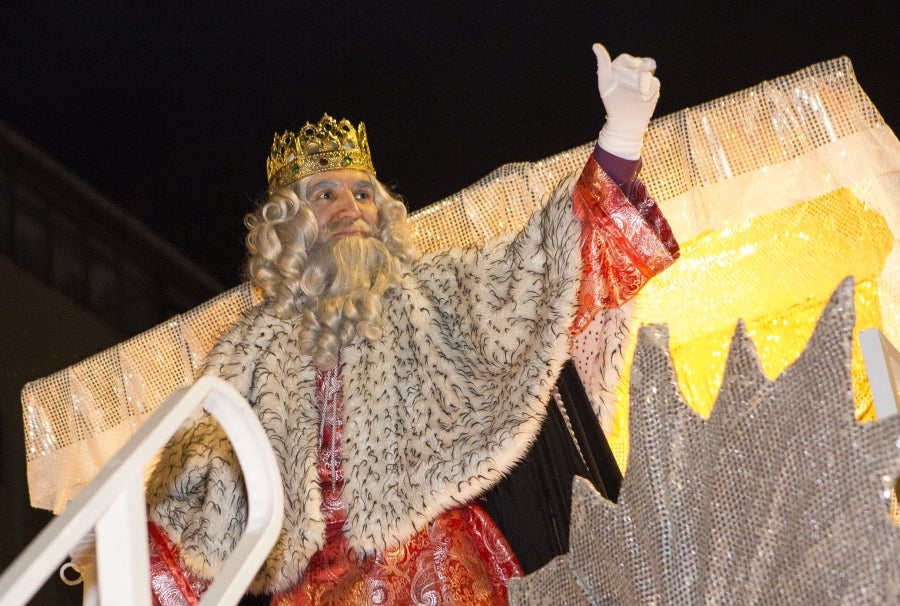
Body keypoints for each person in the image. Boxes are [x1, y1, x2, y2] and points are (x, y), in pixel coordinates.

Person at [145, 42, 679, 605]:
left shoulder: (438, 293)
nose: (350, 208)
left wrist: (620, 137)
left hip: (436, 572)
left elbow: (547, 269)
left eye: (362, 193)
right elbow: (190, 500)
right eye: (325, 194)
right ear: (291, 223)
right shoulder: (246, 352)